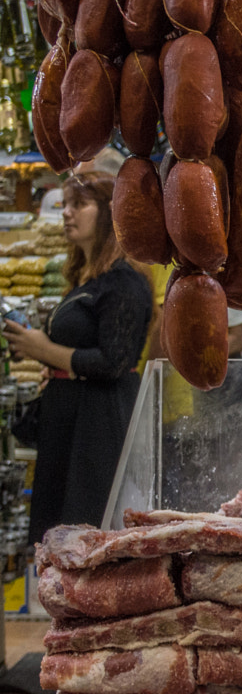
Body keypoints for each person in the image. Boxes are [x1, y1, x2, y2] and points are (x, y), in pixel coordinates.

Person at [4, 171, 154, 543]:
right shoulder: (86, 280)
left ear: (109, 212)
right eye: (66, 205)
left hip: (98, 425)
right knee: (62, 537)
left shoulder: (124, 282)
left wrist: (45, 350)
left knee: (89, 533)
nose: (67, 214)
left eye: (79, 204)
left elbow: (113, 361)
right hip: (70, 420)